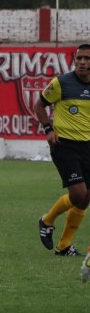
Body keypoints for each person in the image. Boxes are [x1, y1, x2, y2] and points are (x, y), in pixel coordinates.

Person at [35, 44, 90, 257]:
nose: (82, 62)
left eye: (86, 58)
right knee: (78, 195)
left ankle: (64, 246)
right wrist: (48, 129)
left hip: (87, 146)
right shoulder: (61, 83)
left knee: (86, 198)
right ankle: (46, 220)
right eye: (79, 58)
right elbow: (39, 106)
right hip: (64, 145)